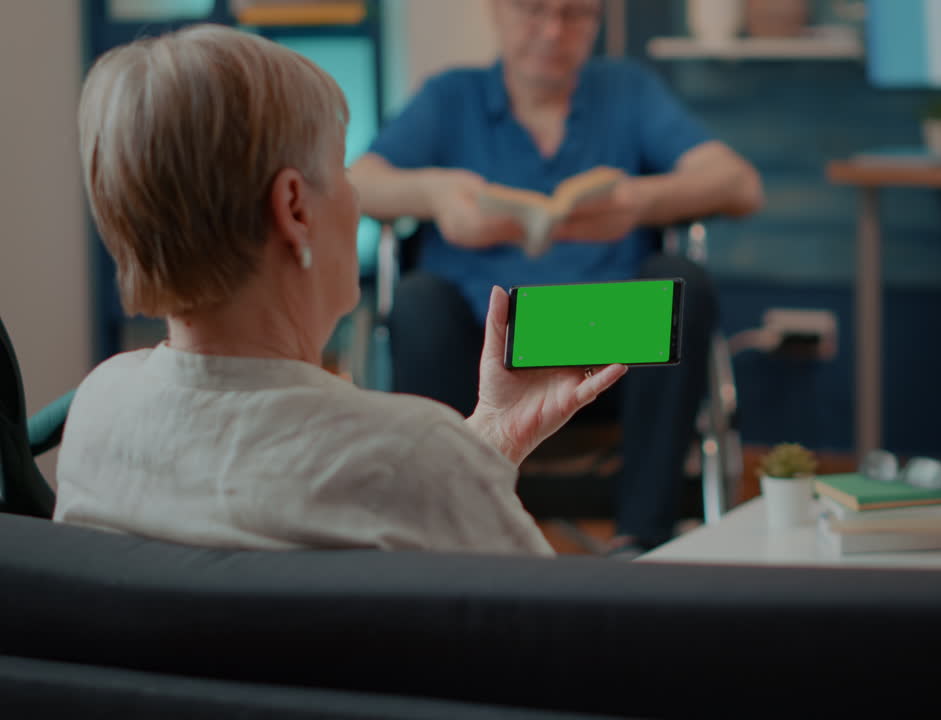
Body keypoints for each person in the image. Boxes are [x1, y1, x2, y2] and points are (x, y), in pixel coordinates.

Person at [54, 24, 626, 555]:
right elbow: (558, 643)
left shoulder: (98, 413)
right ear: (295, 209)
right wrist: (454, 462)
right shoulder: (408, 451)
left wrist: (488, 439)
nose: (353, 200)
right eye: (341, 169)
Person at [351, 0, 764, 554]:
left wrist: (640, 201)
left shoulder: (626, 90)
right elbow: (353, 184)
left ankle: (640, 540)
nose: (553, 31)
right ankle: (441, 536)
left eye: (576, 14)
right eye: (534, 10)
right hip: (480, 355)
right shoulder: (451, 97)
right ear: (497, 12)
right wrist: (435, 194)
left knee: (680, 281)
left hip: (610, 349)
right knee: (417, 299)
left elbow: (740, 184)